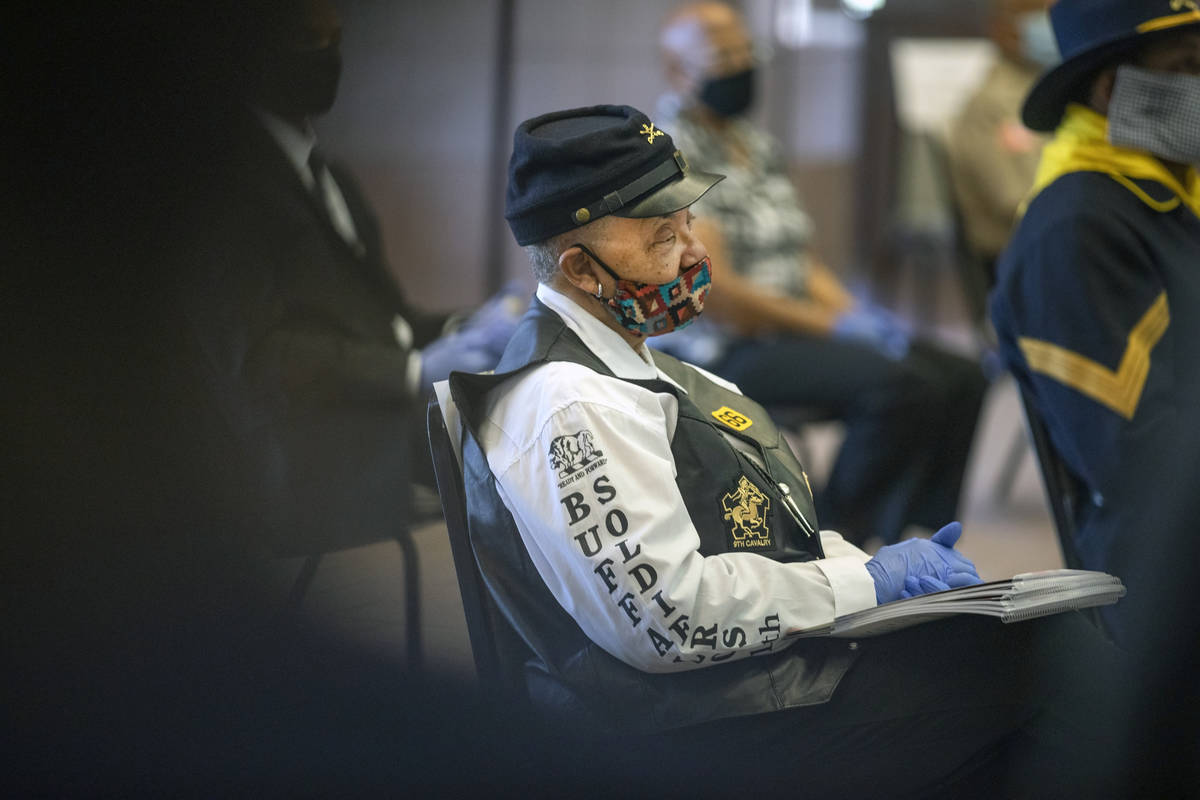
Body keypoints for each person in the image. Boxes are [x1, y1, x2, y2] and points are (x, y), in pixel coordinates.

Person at [447, 103, 1132, 796]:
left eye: (688, 222)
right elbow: (667, 621)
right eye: (662, 238)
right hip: (676, 730)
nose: (694, 253)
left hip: (745, 684)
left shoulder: (643, 367)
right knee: (1059, 671)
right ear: (581, 270)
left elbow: (754, 538)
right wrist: (869, 582)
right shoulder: (569, 403)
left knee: (1036, 647)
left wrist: (873, 570)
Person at [180, 0, 520, 556]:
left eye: (335, 38)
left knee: (525, 418)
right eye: (309, 38)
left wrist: (472, 326)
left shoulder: (328, 172)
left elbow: (385, 316)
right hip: (303, 447)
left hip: (374, 423)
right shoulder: (223, 186)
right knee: (506, 462)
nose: (329, 56)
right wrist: (411, 370)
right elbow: (255, 358)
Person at [650, 2, 988, 548]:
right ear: (678, 71)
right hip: (728, 348)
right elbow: (722, 292)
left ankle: (912, 534)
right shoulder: (675, 153)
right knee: (901, 386)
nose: (739, 65)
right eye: (722, 55)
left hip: (789, 330)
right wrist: (826, 327)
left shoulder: (755, 145)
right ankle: (831, 536)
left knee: (962, 375)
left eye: (744, 51)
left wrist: (855, 314)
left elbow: (799, 259)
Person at [990, 0, 1200, 652]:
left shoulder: (1171, 194)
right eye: (1189, 66)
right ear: (1113, 90)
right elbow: (1142, 468)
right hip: (1170, 586)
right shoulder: (1077, 229)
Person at [947, 0, 1056, 285]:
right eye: (1037, 17)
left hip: (1053, 247)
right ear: (1001, 28)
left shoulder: (1049, 89)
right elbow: (1013, 201)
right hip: (1015, 258)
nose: (1050, 25)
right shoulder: (992, 103)